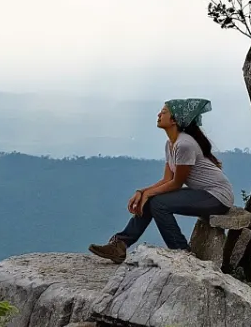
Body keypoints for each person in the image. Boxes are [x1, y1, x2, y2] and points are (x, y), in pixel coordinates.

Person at [88, 98, 235, 263]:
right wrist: (142, 192)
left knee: (158, 203)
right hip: (204, 193)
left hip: (217, 197)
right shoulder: (170, 144)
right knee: (153, 200)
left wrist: (147, 194)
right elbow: (167, 179)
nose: (159, 114)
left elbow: (176, 184)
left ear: (174, 120)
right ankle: (120, 244)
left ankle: (182, 254)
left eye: (164, 112)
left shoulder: (184, 145)